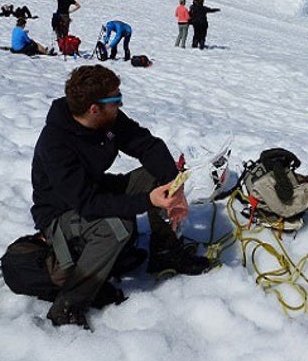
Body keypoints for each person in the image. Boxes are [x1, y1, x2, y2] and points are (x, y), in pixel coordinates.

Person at [30, 65, 214, 328]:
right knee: (117, 228)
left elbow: (147, 145)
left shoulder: (108, 121)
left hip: (94, 191)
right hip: (61, 212)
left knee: (153, 176)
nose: (120, 104)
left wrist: (174, 185)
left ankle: (165, 253)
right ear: (94, 108)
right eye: (116, 100)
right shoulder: (56, 144)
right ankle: (68, 307)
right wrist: (148, 201)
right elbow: (87, 203)